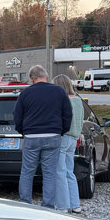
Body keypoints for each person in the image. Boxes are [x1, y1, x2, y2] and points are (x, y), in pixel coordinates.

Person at [12, 65, 70, 209]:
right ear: (47, 76)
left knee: (27, 171)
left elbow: (17, 116)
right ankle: (48, 206)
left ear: (32, 79)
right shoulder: (59, 91)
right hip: (53, 135)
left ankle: (26, 204)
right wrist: (62, 131)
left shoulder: (25, 94)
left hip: (31, 136)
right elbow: (67, 114)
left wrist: (23, 131)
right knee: (50, 173)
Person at [54, 74, 86, 214]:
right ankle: (75, 204)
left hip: (63, 136)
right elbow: (81, 120)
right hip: (74, 138)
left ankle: (62, 205)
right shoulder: (78, 100)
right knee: (69, 172)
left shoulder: (63, 101)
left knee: (59, 172)